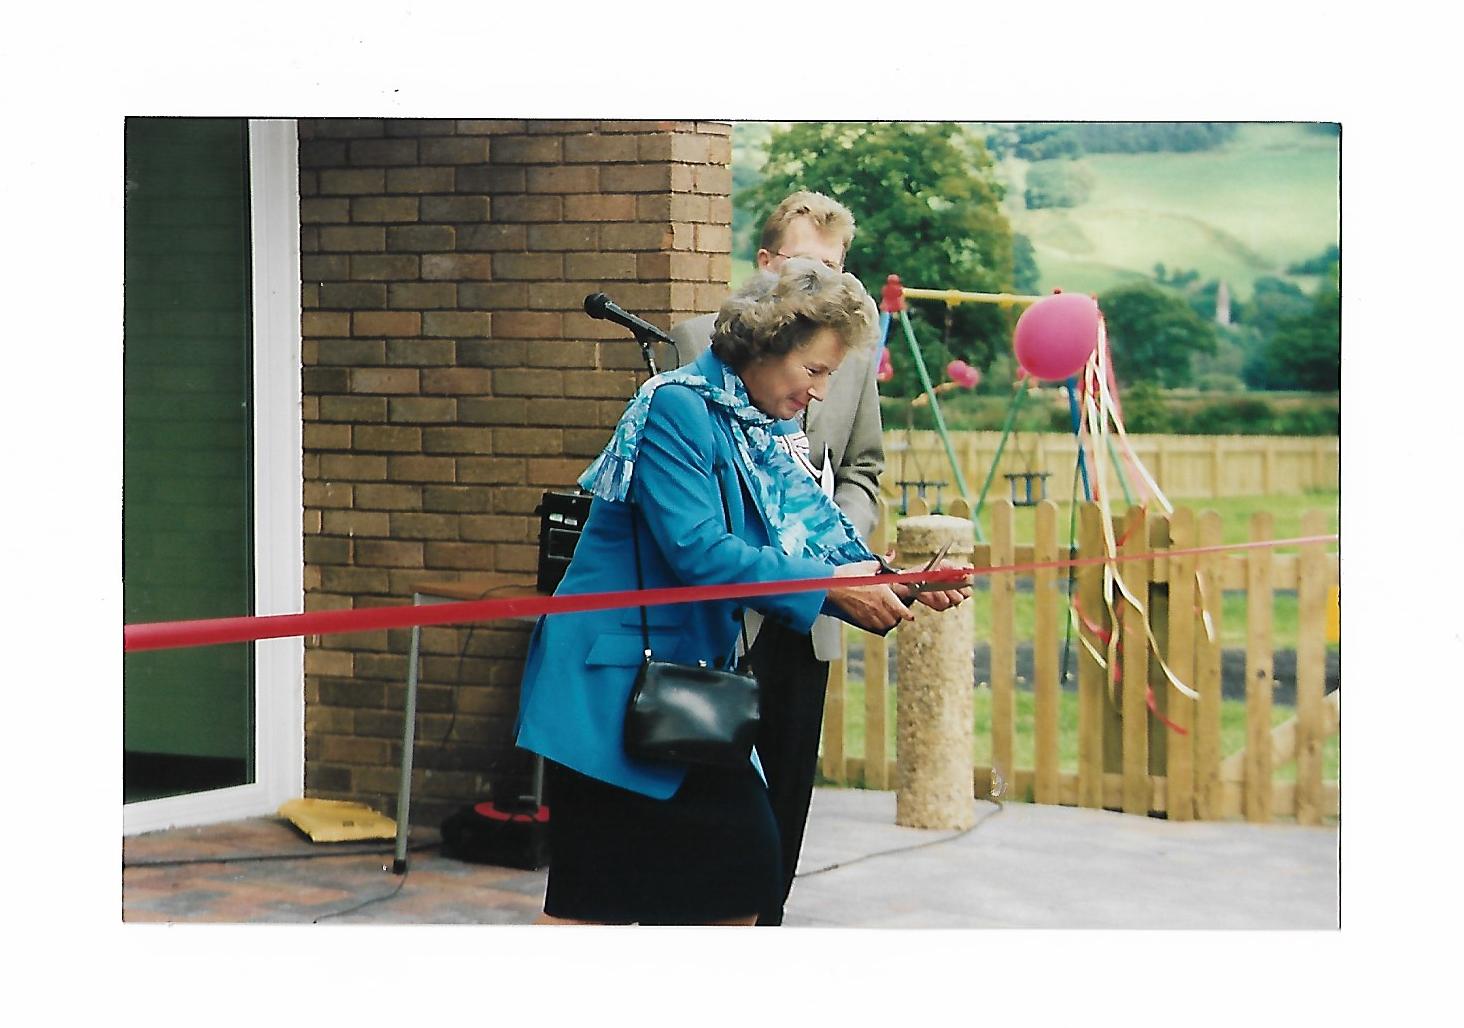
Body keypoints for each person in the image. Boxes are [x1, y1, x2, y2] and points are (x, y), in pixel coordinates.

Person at [515, 259, 964, 926]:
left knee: (731, 879)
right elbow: (698, 550)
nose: (818, 392)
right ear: (765, 343)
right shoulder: (676, 408)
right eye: (814, 370)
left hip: (679, 687)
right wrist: (833, 593)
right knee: (618, 900)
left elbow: (812, 529)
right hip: (613, 690)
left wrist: (884, 579)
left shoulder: (757, 427)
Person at [669, 191, 892, 925]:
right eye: (804, 267)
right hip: (725, 626)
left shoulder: (846, 360)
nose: (824, 285)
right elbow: (700, 539)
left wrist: (857, 561)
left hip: (810, 610)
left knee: (777, 818)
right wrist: (823, 576)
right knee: (715, 833)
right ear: (764, 271)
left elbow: (859, 470)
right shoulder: (694, 373)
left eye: (834, 268)